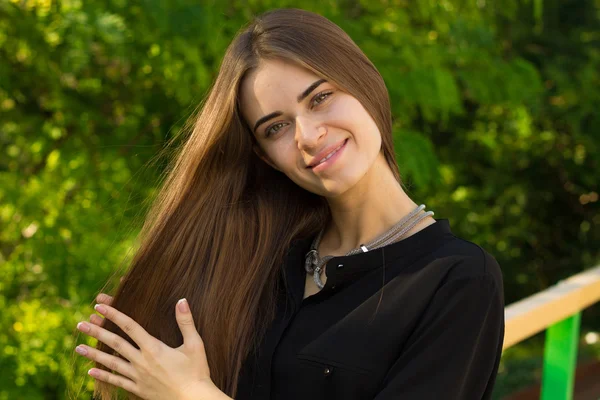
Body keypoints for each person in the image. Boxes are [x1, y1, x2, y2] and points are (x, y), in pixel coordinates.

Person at [74, 8, 505, 400]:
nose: (307, 136)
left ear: (366, 84)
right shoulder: (261, 262)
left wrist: (190, 393)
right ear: (265, 157)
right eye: (276, 127)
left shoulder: (459, 279)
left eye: (319, 98)